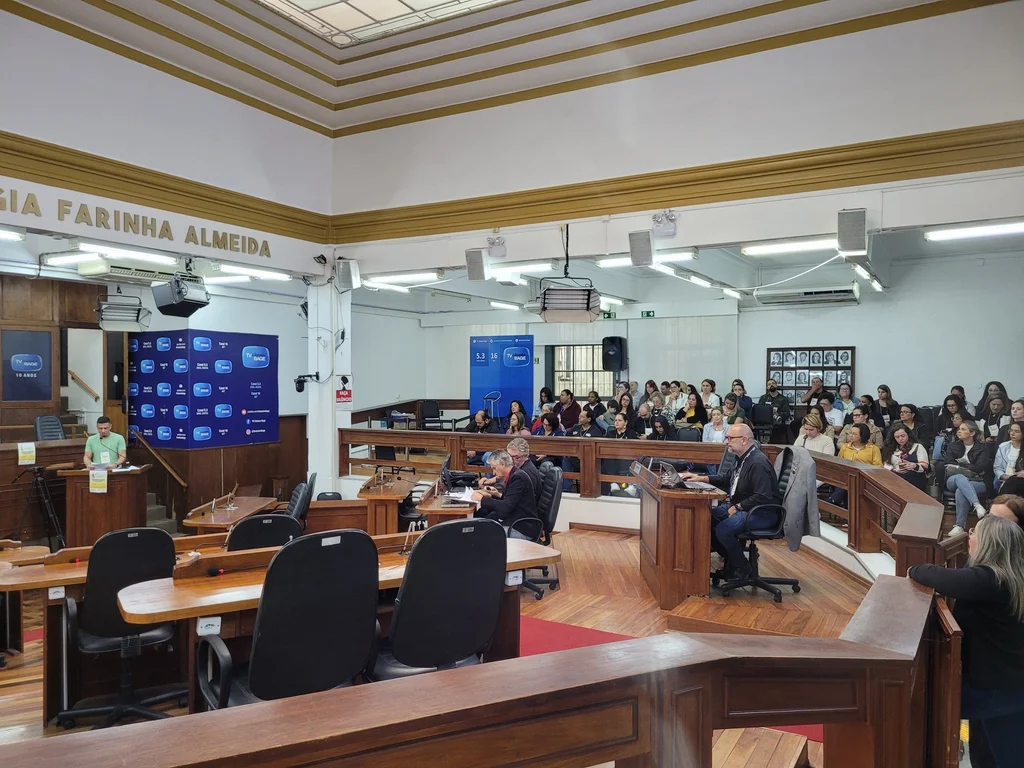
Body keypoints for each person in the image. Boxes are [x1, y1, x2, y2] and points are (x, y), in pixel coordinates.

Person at [909, 514, 1024, 768]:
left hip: (994, 690)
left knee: (918, 703)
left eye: (974, 532)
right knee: (999, 753)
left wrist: (911, 568)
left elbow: (926, 572)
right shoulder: (1013, 578)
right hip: (1009, 685)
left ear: (988, 542)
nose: (969, 537)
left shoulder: (990, 580)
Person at [680, 424, 781, 580]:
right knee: (706, 518)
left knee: (723, 529)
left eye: (729, 438)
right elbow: (728, 479)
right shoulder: (741, 458)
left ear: (744, 440)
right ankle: (732, 562)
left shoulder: (758, 462)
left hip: (762, 512)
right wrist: (701, 478)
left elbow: (763, 495)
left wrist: (738, 507)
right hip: (744, 507)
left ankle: (742, 568)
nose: (726, 442)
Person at [945, 420, 991, 538]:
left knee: (961, 490)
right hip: (953, 479)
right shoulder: (953, 445)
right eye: (959, 429)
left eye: (963, 429)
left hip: (977, 481)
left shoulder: (982, 448)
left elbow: (980, 467)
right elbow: (948, 464)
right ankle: (977, 505)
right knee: (960, 478)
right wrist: (969, 471)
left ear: (972, 433)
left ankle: (959, 526)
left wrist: (959, 466)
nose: (959, 431)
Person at [472, 450, 538, 527]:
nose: (493, 473)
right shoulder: (514, 474)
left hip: (521, 527)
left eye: (494, 468)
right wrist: (494, 495)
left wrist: (482, 499)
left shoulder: (518, 477)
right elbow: (511, 501)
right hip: (514, 521)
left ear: (502, 464)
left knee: (480, 532)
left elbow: (506, 507)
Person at [883, 424, 929, 492]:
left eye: (903, 436)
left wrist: (914, 465)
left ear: (908, 435)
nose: (900, 439)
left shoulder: (918, 447)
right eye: (897, 437)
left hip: (914, 481)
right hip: (895, 480)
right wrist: (894, 470)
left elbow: (925, 466)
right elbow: (885, 465)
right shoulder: (890, 449)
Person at [935, 394, 970, 460]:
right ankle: (937, 459)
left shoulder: (965, 415)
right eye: (948, 406)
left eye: (953, 405)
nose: (951, 408)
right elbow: (935, 430)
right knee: (939, 439)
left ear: (958, 405)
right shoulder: (942, 417)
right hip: (944, 440)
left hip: (960, 439)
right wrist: (939, 434)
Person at [994, 422, 1024, 493]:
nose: (1012, 433)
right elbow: (997, 468)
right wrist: (1004, 476)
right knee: (1010, 483)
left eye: (1016, 431)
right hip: (1007, 479)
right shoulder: (1003, 447)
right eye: (1011, 430)